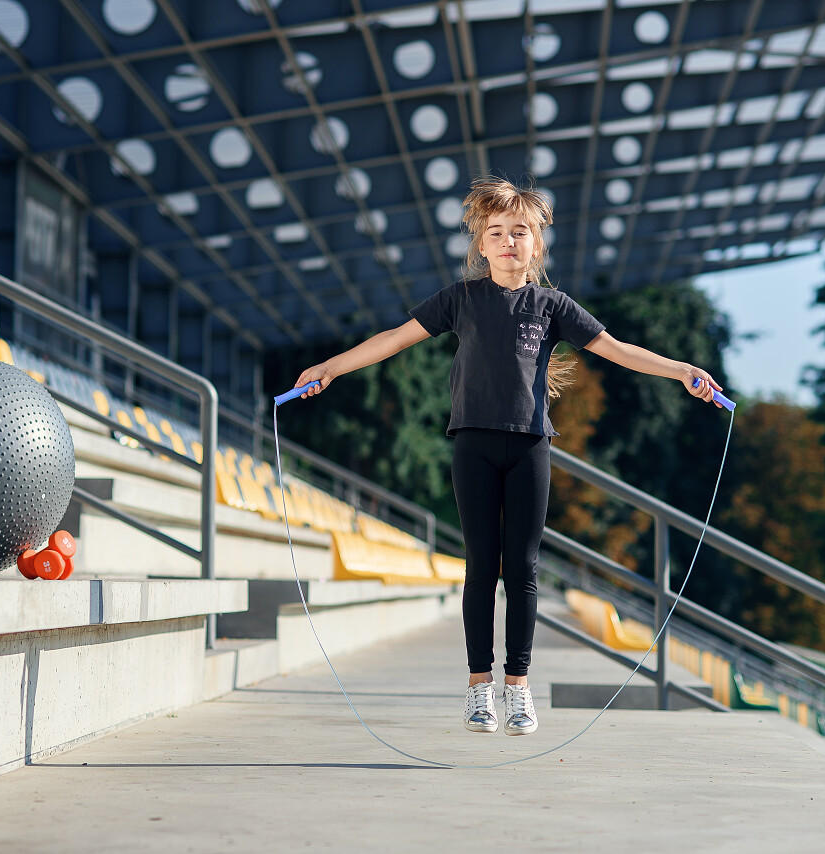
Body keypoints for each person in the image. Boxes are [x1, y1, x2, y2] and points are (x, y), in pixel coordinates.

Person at [293, 175, 723, 736]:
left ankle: (517, 689)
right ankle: (478, 690)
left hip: (529, 446)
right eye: (495, 232)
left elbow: (617, 350)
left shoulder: (552, 306)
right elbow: (393, 339)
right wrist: (330, 367)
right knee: (481, 565)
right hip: (472, 443)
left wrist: (682, 372)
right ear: (481, 244)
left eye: (519, 232)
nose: (507, 242)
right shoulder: (461, 299)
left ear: (536, 243)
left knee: (521, 569)